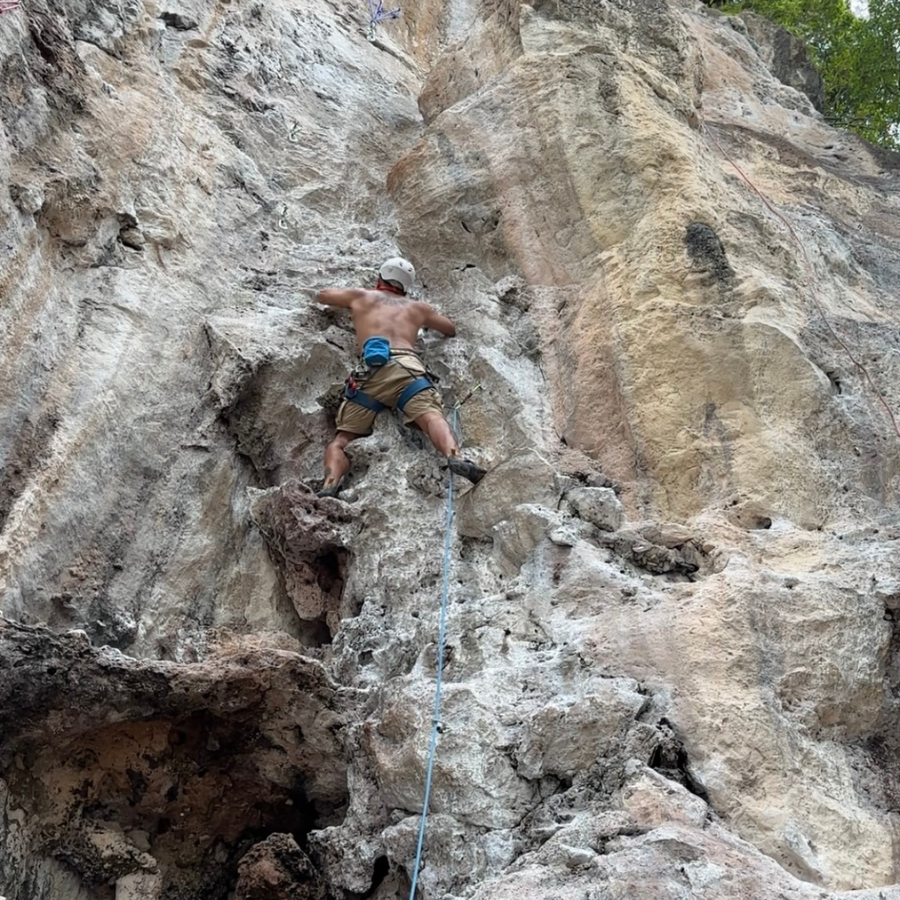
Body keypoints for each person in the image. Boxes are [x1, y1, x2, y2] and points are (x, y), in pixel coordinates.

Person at [315, 257, 486, 498]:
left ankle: (330, 483)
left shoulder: (361, 296)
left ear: (380, 278)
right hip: (407, 368)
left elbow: (323, 295)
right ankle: (454, 456)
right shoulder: (418, 308)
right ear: (406, 286)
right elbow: (449, 328)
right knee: (431, 417)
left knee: (342, 440)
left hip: (369, 373)